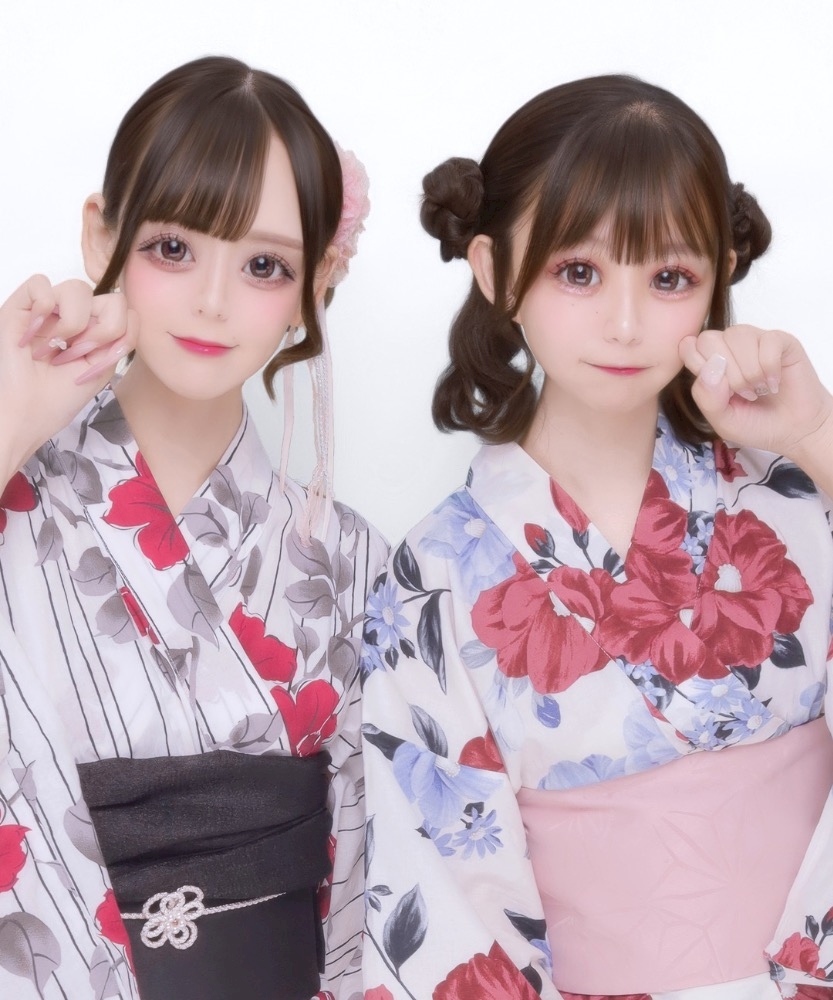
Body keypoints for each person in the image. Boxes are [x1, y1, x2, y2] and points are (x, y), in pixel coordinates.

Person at [360, 74, 833, 1000]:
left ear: (716, 280)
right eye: (578, 272)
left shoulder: (792, 494)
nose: (624, 323)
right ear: (494, 269)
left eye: (668, 279)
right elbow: (440, 882)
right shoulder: (440, 569)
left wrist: (817, 436)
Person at [0, 56, 385, 1000]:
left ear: (319, 280)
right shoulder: (12, 495)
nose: (213, 300)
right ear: (103, 235)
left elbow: (367, 872)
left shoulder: (350, 559)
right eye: (173, 247)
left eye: (263, 265)